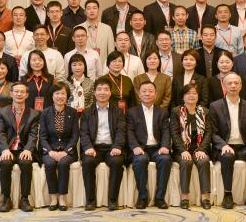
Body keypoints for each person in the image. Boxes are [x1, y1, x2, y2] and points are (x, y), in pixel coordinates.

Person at [208, 72, 246, 209]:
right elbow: (213, 133)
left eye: (236, 83)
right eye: (230, 83)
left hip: (243, 147)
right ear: (224, 86)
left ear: (241, 86)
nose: (233, 86)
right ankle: (228, 194)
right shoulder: (215, 106)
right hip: (225, 146)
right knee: (227, 156)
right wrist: (223, 145)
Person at [80, 78, 127, 210]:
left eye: (106, 89)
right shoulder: (87, 112)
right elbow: (84, 133)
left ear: (110, 93)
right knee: (87, 162)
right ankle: (90, 200)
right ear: (94, 92)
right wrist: (88, 147)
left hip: (112, 148)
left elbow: (121, 131)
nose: (102, 92)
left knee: (117, 162)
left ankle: (112, 200)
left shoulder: (118, 111)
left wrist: (117, 146)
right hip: (94, 148)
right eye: (99, 89)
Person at [127, 81, 173, 209]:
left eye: (150, 91)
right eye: (144, 91)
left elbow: (166, 131)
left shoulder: (162, 112)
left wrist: (165, 146)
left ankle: (160, 198)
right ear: (139, 94)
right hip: (140, 149)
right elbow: (129, 132)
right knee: (140, 160)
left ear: (156, 94)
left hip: (158, 148)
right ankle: (142, 197)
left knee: (165, 159)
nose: (147, 94)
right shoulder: (132, 112)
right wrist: (135, 147)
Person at [0, 81, 40, 212]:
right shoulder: (2, 112)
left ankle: (24, 199)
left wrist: (28, 149)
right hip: (8, 149)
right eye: (16, 91)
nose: (19, 94)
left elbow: (33, 135)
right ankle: (6, 199)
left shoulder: (33, 113)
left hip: (23, 149)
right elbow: (0, 133)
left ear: (27, 95)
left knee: (26, 163)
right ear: (11, 94)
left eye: (22, 92)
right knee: (5, 163)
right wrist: (4, 149)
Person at [172, 82, 212, 209]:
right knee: (186, 162)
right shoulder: (176, 112)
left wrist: (202, 149)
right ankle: (185, 197)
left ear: (198, 96)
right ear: (183, 96)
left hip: (199, 149)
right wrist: (183, 151)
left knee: (204, 160)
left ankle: (205, 197)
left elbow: (208, 133)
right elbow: (174, 134)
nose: (191, 96)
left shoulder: (204, 111)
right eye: (188, 93)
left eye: (194, 93)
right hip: (182, 150)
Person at [39, 84, 79, 210]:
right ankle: (53, 198)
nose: (60, 96)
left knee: (63, 163)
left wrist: (66, 151)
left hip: (68, 151)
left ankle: (62, 198)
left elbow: (75, 136)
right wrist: (50, 152)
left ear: (67, 96)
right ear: (52, 96)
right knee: (50, 164)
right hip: (50, 150)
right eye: (57, 93)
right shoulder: (45, 113)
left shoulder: (73, 112)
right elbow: (42, 137)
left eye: (63, 93)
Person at [76, 0, 115, 64]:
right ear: (85, 12)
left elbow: (111, 51)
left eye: (94, 8)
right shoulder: (78, 28)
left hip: (103, 66)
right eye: (89, 8)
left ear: (98, 11)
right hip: (84, 66)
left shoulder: (107, 28)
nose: (92, 11)